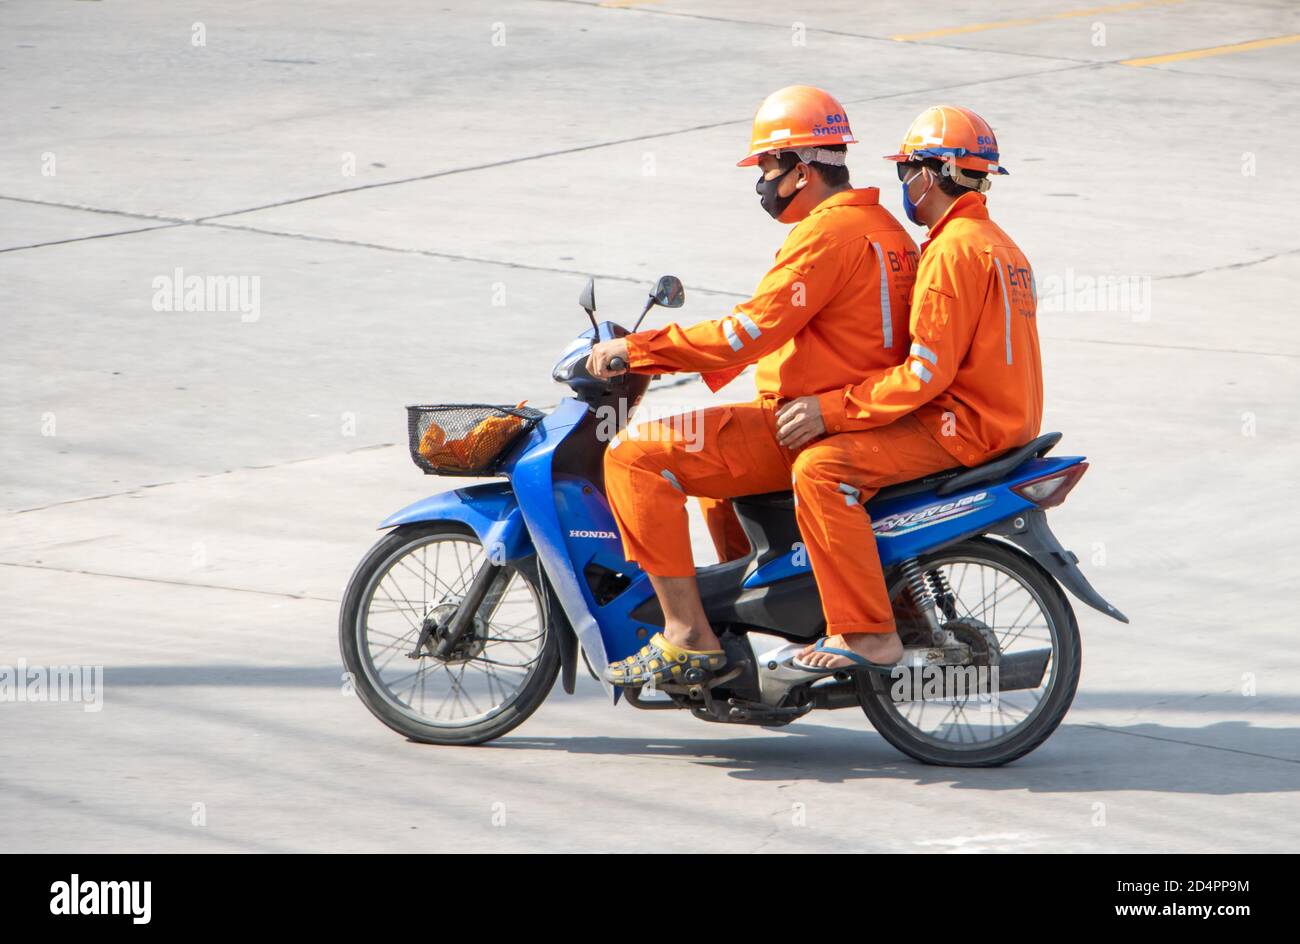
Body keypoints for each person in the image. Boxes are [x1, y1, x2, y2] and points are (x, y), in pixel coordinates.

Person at [585, 85, 922, 686]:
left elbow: (749, 330)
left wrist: (636, 351)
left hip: (809, 422)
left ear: (800, 169)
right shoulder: (883, 228)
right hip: (855, 414)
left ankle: (688, 634)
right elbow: (797, 328)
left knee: (635, 457)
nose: (762, 181)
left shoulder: (827, 235)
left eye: (768, 166)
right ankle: (745, 621)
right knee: (714, 488)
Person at [795, 104, 1043, 670]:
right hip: (1003, 422)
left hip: (962, 428)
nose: (904, 183)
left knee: (821, 469)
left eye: (907, 170)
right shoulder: (1001, 245)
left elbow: (924, 374)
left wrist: (833, 409)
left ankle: (864, 634)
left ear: (930, 175)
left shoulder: (951, 251)